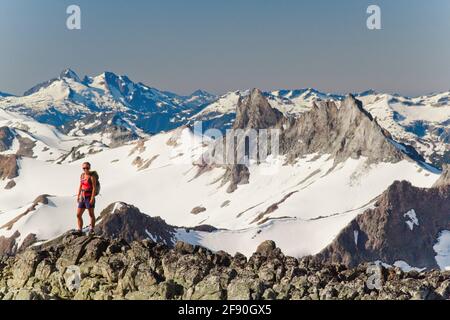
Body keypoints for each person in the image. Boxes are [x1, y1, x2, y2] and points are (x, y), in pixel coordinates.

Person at [76, 162, 97, 235]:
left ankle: (91, 229)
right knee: (78, 215)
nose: (85, 169)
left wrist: (92, 198)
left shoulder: (92, 177)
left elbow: (94, 188)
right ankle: (79, 230)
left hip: (89, 197)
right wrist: (78, 195)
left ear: (89, 168)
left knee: (91, 214)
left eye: (87, 168)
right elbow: (80, 185)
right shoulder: (82, 175)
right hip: (82, 197)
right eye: (84, 168)